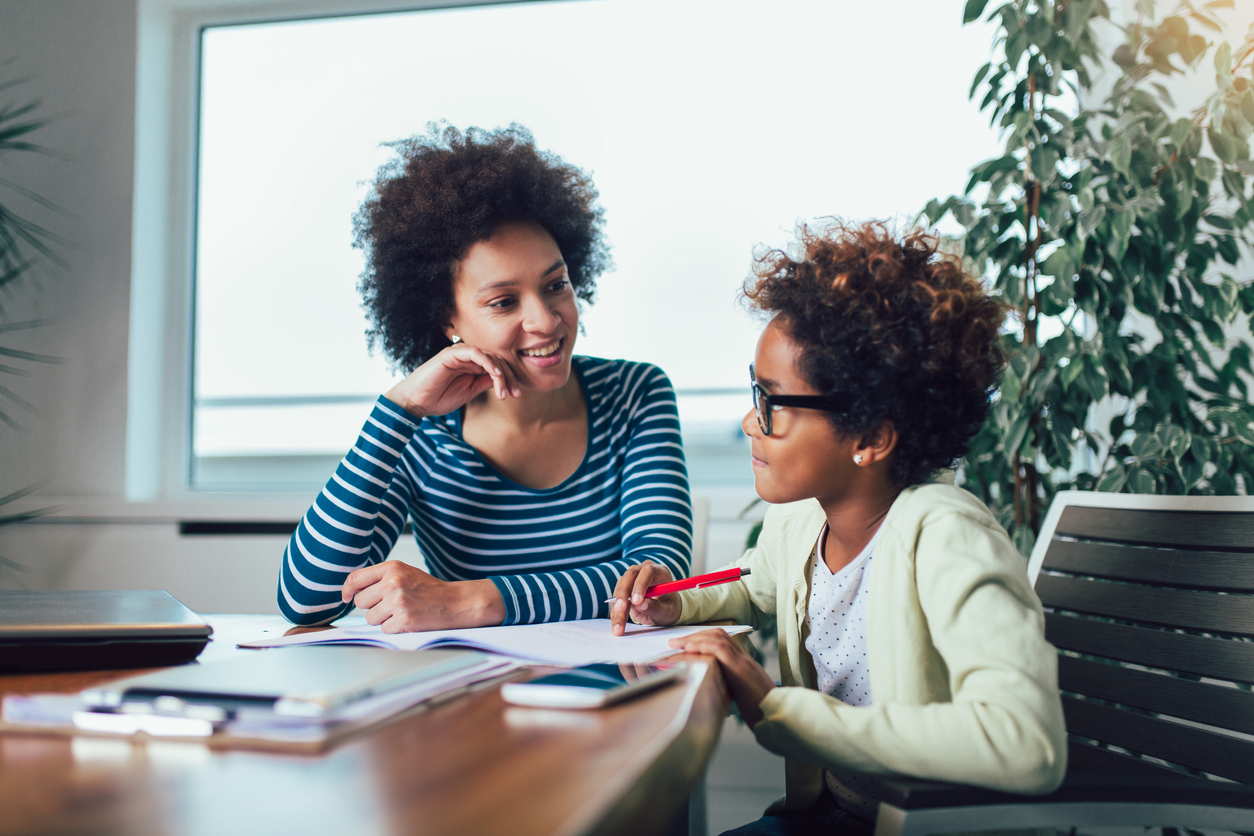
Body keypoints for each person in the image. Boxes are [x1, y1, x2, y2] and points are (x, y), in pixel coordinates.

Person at [609, 222, 1066, 834]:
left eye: (773, 403)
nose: (750, 421)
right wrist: (675, 605)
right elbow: (754, 588)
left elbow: (1025, 743)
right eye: (754, 394)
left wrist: (776, 706)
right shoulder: (803, 515)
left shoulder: (948, 537)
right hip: (830, 816)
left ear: (872, 437)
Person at [278, 125, 692, 630]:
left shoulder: (635, 395)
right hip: (475, 700)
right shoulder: (421, 434)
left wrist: (467, 601)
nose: (545, 319)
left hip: (618, 693)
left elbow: (654, 585)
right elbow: (308, 601)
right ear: (447, 321)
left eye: (556, 284)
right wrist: (397, 412)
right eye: (503, 302)